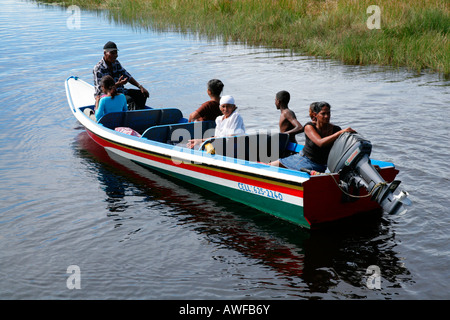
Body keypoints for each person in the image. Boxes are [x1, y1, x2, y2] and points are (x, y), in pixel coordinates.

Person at [270, 101, 356, 172]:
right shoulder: (309, 126)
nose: (327, 116)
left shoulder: (336, 129)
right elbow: (320, 142)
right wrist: (340, 133)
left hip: (320, 165)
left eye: (328, 113)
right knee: (270, 166)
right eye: (323, 114)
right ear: (315, 115)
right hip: (303, 159)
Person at [93, 41, 149, 110]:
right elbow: (101, 91)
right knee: (129, 100)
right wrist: (117, 84)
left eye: (116, 53)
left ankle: (140, 113)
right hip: (106, 95)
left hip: (120, 92)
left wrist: (140, 86)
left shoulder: (116, 63)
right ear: (105, 53)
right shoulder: (98, 68)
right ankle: (133, 117)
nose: (115, 55)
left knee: (142, 94)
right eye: (112, 53)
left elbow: (127, 75)